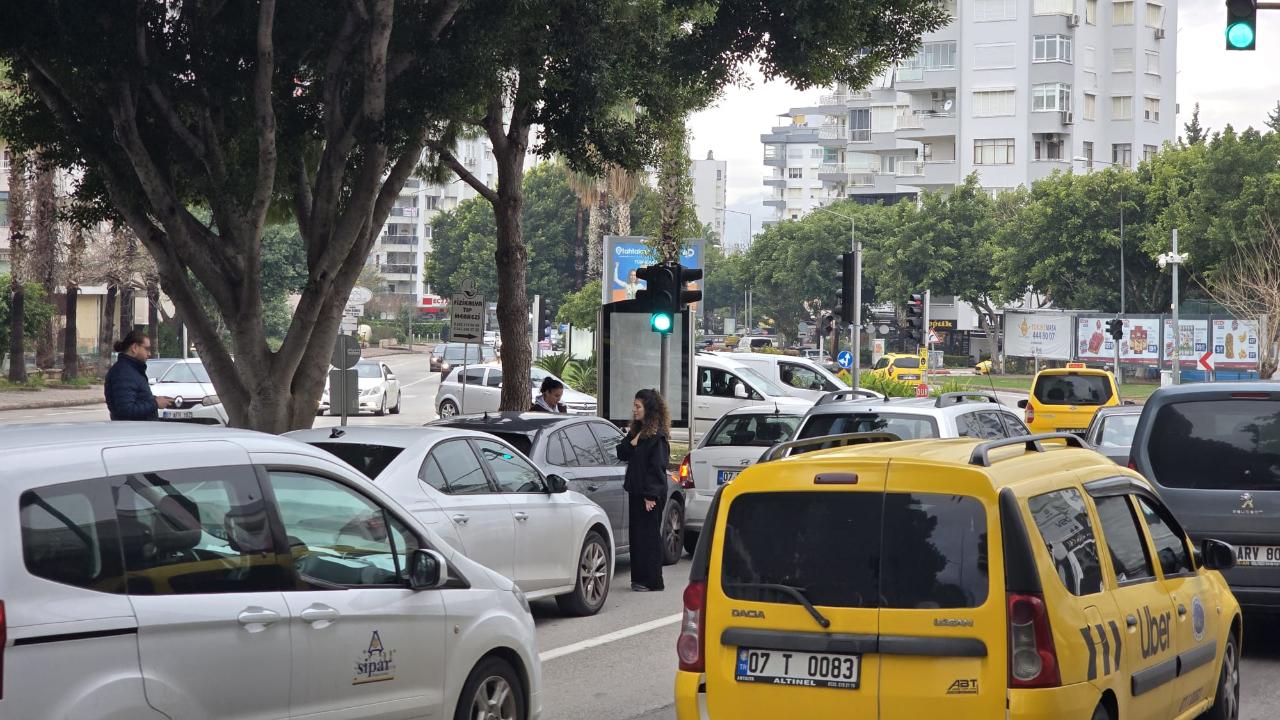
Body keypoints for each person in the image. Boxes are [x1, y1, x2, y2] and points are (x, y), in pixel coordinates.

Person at [617, 388, 670, 592]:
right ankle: (639, 578)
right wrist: (634, 440)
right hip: (636, 491)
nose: (635, 410)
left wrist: (651, 495)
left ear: (648, 409)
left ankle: (652, 580)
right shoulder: (636, 431)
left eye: (638, 406)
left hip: (649, 494)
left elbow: (657, 466)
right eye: (635, 406)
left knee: (648, 537)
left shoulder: (657, 437)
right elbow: (622, 452)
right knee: (637, 537)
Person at [104, 330, 173, 420]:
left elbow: (136, 398)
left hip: (139, 429)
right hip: (134, 430)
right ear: (134, 348)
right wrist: (155, 403)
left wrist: (155, 399)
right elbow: (125, 410)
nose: (149, 354)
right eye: (146, 349)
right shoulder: (124, 373)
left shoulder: (133, 370)